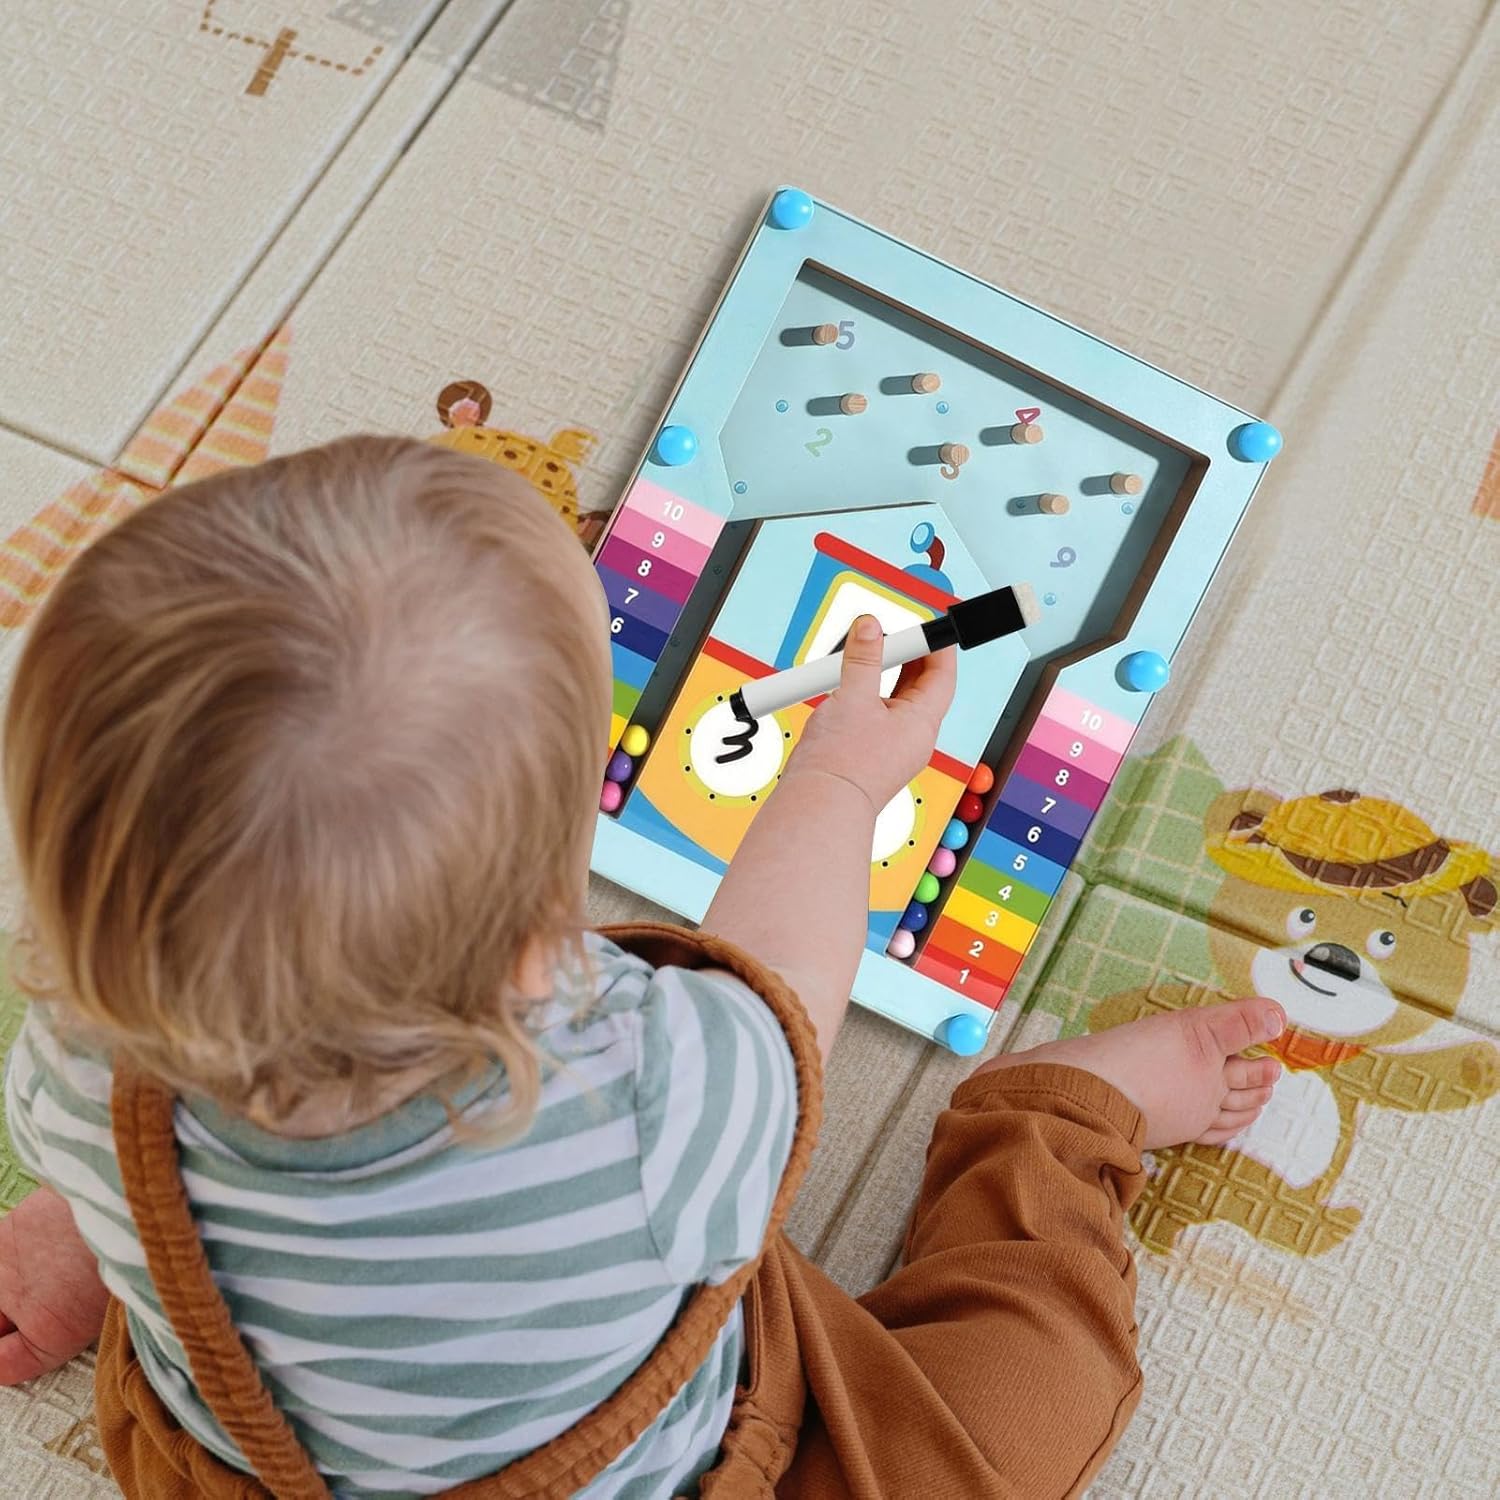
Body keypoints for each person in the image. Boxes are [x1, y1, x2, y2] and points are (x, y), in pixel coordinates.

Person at [0, 436, 1283, 1497]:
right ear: (535, 919)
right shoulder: (646, 1096)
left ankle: (110, 1245)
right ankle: (1059, 1126)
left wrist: (104, 1220)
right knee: (1009, 1419)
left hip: (252, 1444)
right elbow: (783, 991)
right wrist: (844, 779)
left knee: (164, 1235)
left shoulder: (74, 1061)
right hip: (673, 1447)